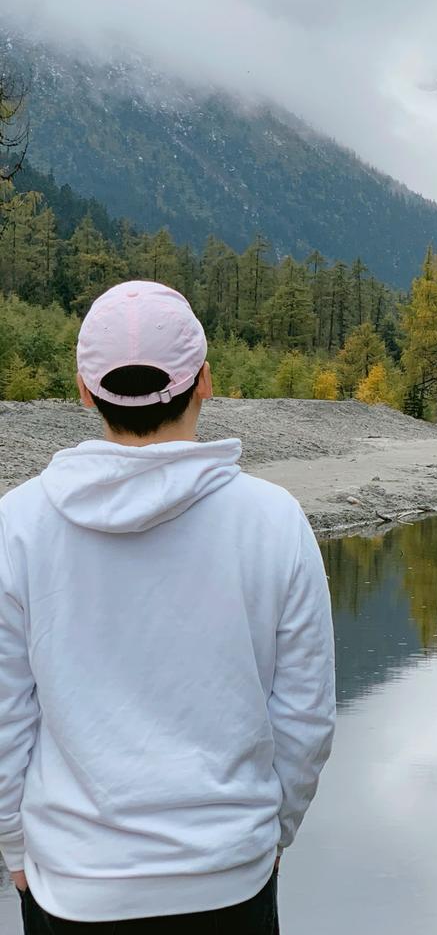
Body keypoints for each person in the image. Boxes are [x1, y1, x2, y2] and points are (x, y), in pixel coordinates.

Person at [0, 281, 336, 932]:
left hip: (73, 883)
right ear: (205, 380)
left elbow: (5, 718)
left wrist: (15, 845)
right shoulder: (273, 520)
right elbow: (306, 718)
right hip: (226, 876)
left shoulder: (15, 526)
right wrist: (272, 837)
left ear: (83, 388)